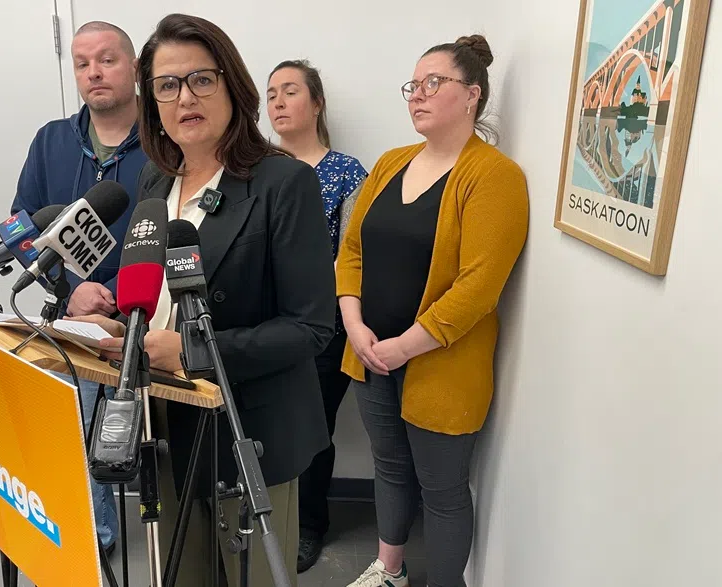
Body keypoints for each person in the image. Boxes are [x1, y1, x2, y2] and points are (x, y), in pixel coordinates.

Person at [71, 13, 335, 586]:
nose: (184, 97)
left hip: (246, 429)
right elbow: (156, 290)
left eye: (201, 79)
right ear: (153, 101)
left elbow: (311, 327)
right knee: (181, 575)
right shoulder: (154, 184)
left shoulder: (281, 184)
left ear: (232, 87)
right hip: (159, 420)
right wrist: (116, 312)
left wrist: (191, 354)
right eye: (167, 85)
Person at [335, 36, 529, 587]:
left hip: (441, 365)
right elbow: (352, 250)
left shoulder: (494, 176)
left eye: (432, 84)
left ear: (472, 94)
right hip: (369, 354)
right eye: (412, 86)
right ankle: (389, 569)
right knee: (390, 468)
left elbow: (478, 288)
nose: (416, 96)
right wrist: (355, 327)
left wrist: (404, 346)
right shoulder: (392, 164)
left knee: (443, 490)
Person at [10, 20, 148, 554]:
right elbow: (20, 229)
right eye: (83, 62)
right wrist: (71, 290)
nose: (94, 72)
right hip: (71, 316)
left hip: (147, 315)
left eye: (107, 60)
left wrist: (109, 292)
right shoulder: (51, 140)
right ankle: (97, 540)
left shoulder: (166, 139)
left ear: (134, 67)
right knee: (76, 430)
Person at [266, 59, 367, 573]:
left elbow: (352, 252)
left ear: (317, 103)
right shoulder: (256, 167)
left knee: (312, 423)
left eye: (290, 91)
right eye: (271, 94)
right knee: (263, 418)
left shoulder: (346, 173)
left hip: (322, 325)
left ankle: (307, 525)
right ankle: (259, 518)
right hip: (260, 321)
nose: (278, 102)